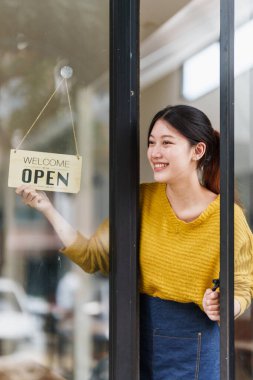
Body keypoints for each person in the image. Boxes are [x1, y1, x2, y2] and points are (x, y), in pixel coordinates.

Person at [16, 104, 253, 380]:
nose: (155, 152)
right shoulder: (139, 200)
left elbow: (242, 287)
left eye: (167, 143)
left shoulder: (228, 217)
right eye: (152, 143)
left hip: (198, 349)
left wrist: (226, 306)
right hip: (136, 340)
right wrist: (47, 208)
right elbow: (93, 256)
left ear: (197, 151)